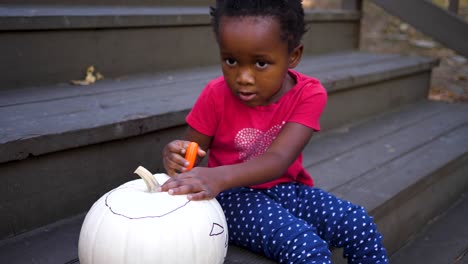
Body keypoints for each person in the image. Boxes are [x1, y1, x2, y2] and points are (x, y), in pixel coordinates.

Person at [160, 0, 388, 263]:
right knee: (307, 248)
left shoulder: (309, 94)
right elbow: (190, 157)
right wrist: (174, 156)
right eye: (231, 60)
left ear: (293, 56)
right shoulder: (215, 95)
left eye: (260, 64)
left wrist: (217, 176)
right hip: (232, 198)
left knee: (358, 222)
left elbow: (279, 160)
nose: (243, 77)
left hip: (287, 189)